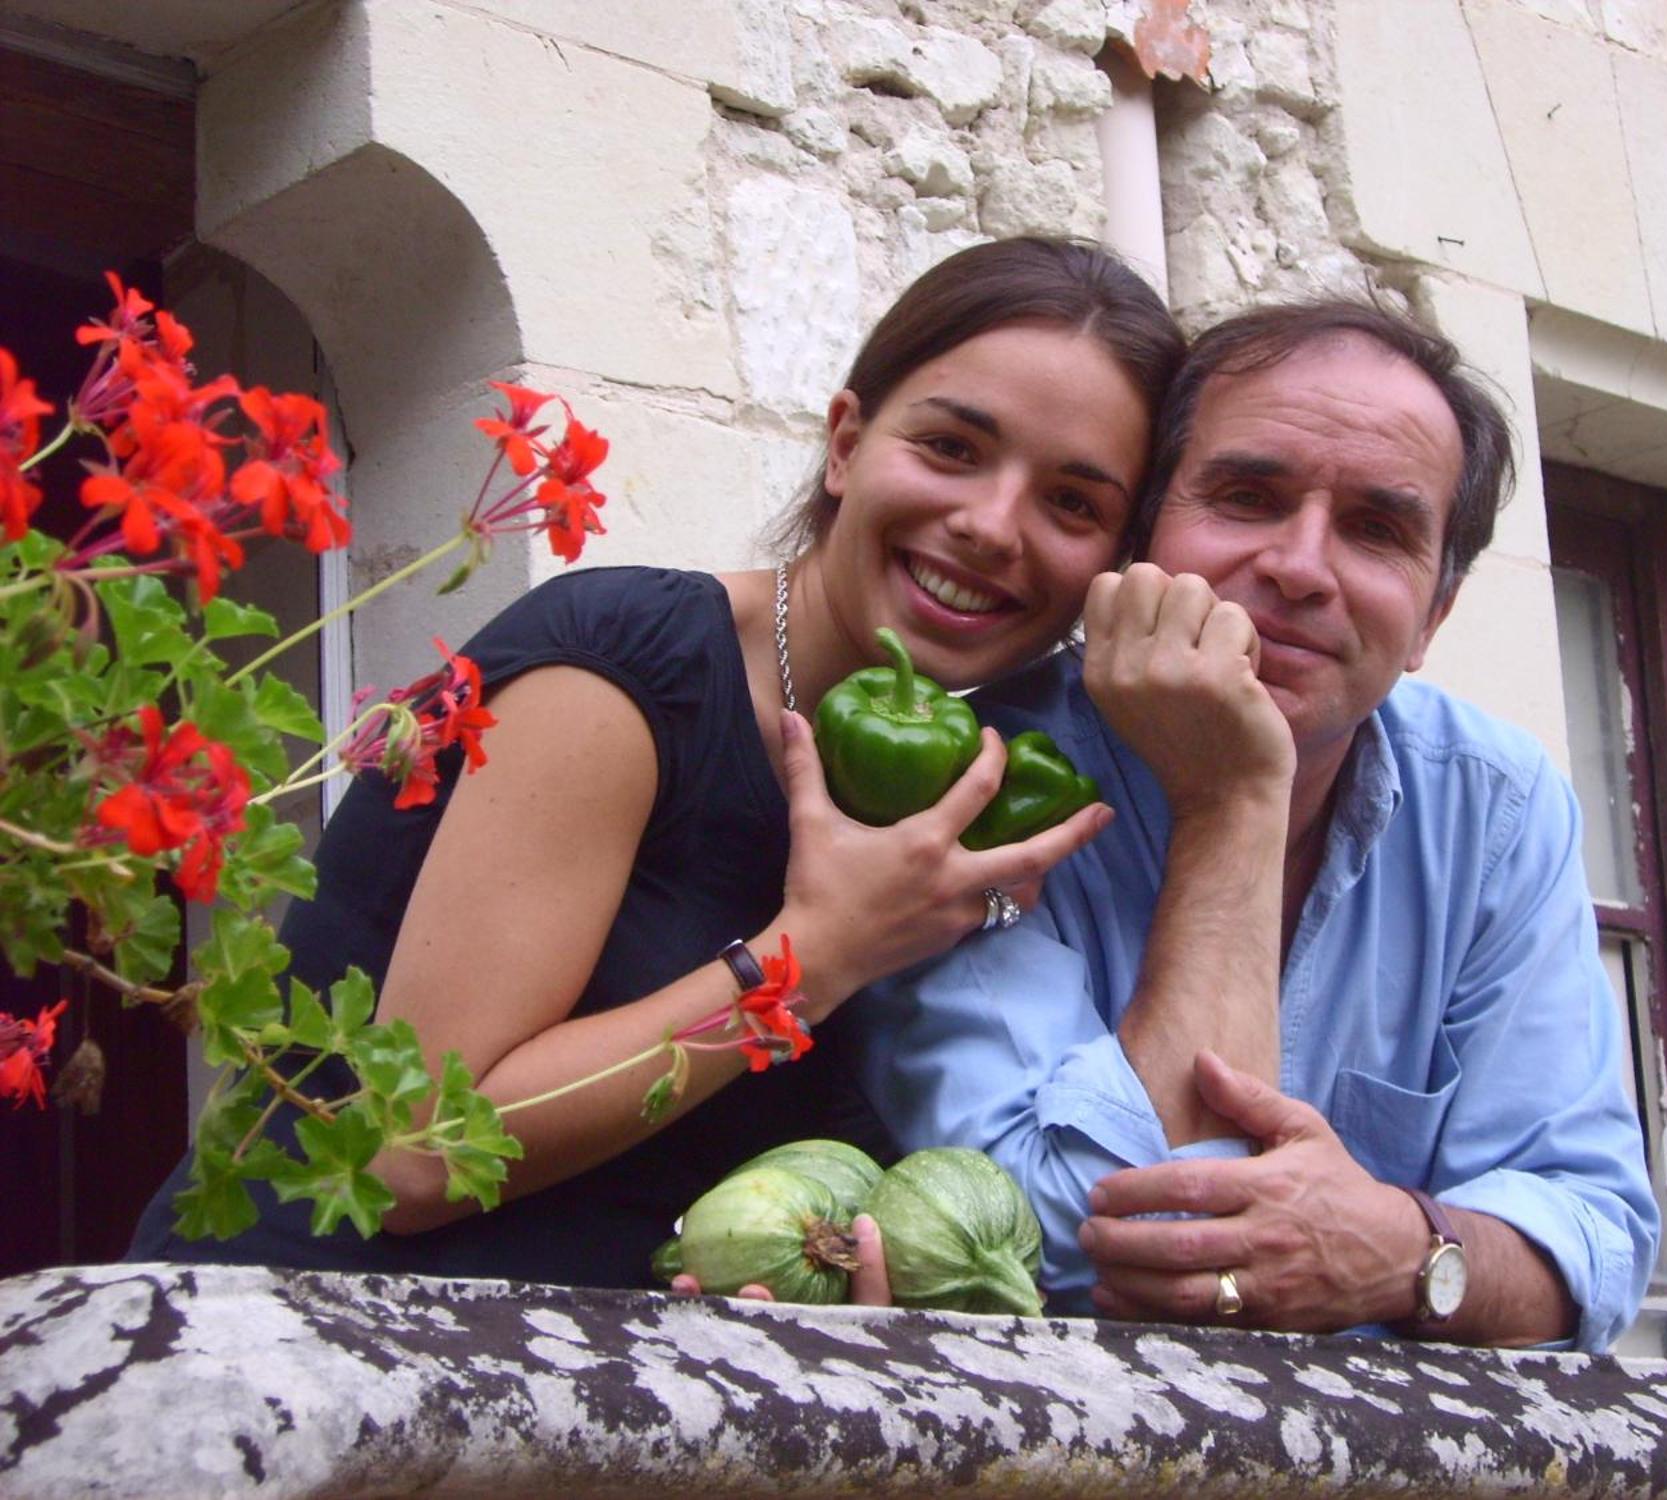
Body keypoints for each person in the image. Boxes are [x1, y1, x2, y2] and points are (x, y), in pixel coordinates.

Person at [127, 237, 1186, 1289]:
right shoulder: (633, 666)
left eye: (1071, 503)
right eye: (952, 447)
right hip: (293, 1366)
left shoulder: (951, 787)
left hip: (569, 1417)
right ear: (845, 443)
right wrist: (812, 958)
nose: (992, 526)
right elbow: (417, 1152)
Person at [853, 297, 1659, 1351]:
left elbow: (1593, 1241)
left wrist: (1409, 1255)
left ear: (1431, 619)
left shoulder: (1493, 806)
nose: (1298, 567)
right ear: (1139, 541)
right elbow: (1053, 1227)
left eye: (1376, 529)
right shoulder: (968, 776)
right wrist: (1230, 802)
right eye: (1245, 496)